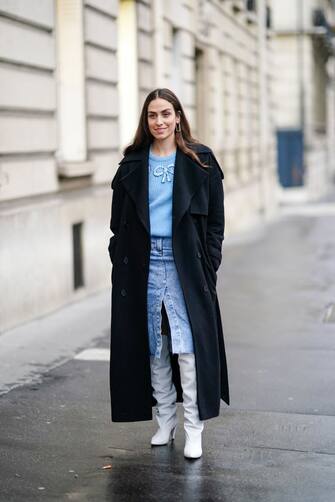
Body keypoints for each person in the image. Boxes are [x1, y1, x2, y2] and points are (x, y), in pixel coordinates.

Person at [108, 88, 229, 460]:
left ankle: (194, 427)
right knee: (155, 348)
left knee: (188, 349)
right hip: (143, 265)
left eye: (165, 113)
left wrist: (208, 266)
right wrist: (119, 260)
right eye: (151, 115)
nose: (158, 121)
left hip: (185, 265)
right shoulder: (132, 164)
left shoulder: (200, 161)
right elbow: (117, 225)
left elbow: (215, 225)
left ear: (178, 117)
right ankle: (165, 422)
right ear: (146, 121)